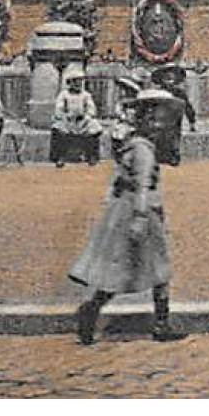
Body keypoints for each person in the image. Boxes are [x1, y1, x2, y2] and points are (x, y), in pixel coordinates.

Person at [68, 88, 186, 344]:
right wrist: (141, 216)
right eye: (156, 118)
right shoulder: (144, 149)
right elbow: (143, 184)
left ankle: (92, 308)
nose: (160, 124)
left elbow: (116, 182)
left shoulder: (131, 144)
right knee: (160, 270)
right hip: (142, 211)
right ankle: (160, 324)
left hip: (122, 210)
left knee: (121, 270)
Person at [51, 68, 101, 167]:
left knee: (95, 127)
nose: (78, 84)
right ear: (70, 83)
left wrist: (86, 117)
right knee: (58, 127)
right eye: (75, 81)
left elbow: (92, 109)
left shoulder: (86, 95)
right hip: (67, 121)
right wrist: (65, 117)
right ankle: (60, 157)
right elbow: (58, 110)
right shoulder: (64, 94)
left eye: (79, 81)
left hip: (82, 121)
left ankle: (92, 156)